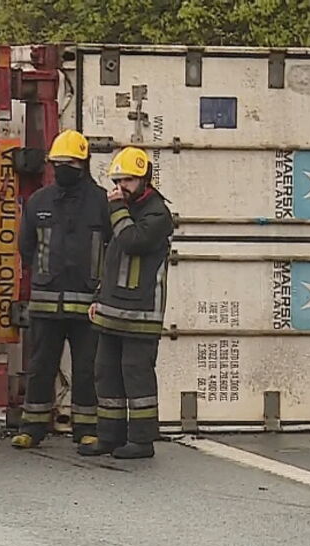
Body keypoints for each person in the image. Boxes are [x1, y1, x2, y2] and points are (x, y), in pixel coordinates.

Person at [11, 130, 110, 450]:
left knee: (87, 369)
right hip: (46, 303)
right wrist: (44, 275)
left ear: (83, 164)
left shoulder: (101, 202)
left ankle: (87, 429)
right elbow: (26, 247)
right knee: (40, 367)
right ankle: (33, 427)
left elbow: (111, 247)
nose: (63, 168)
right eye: (58, 163)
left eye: (69, 162)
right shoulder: (39, 201)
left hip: (87, 304)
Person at [78, 147, 174, 460]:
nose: (121, 187)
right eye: (118, 181)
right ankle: (109, 436)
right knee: (105, 372)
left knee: (137, 375)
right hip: (111, 309)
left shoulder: (157, 214)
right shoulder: (120, 209)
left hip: (142, 311)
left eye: (128, 181)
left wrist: (117, 208)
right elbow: (111, 257)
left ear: (145, 180)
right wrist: (97, 297)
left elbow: (133, 242)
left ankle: (142, 440)